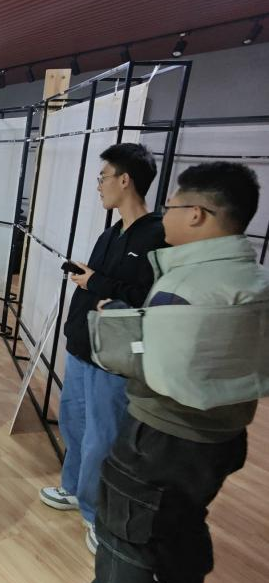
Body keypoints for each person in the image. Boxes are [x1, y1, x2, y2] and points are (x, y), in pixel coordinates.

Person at [87, 162, 268, 583]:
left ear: (196, 214)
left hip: (160, 438)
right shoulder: (254, 279)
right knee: (181, 523)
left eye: (170, 206)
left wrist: (118, 321)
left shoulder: (186, 288)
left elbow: (153, 363)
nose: (163, 215)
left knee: (127, 539)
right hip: (223, 437)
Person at [39, 143, 166, 554]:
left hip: (114, 355)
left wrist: (95, 282)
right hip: (82, 345)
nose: (98, 186)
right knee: (74, 425)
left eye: (102, 177)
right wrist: (90, 281)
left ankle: (97, 515)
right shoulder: (111, 232)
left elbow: (148, 296)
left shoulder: (157, 235)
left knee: (103, 437)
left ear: (124, 180)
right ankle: (74, 488)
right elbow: (99, 283)